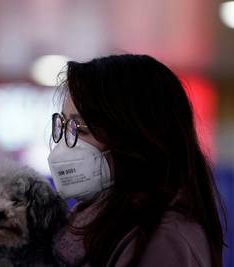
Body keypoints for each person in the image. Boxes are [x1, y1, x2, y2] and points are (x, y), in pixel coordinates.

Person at [47, 54, 226, 267]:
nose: (65, 144)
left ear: (134, 136)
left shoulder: (163, 240)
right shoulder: (95, 223)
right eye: (64, 126)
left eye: (80, 128)